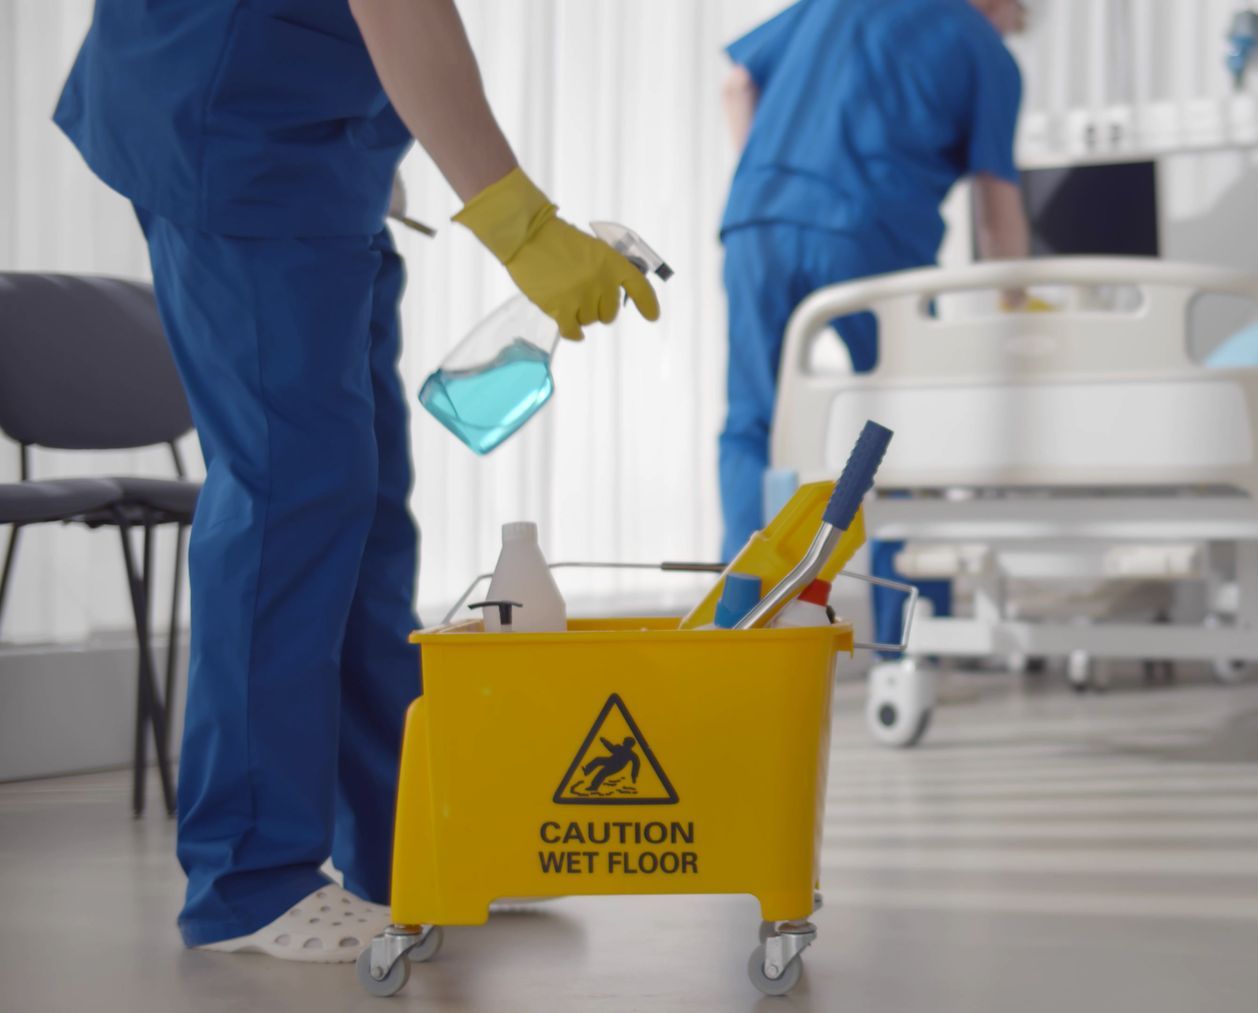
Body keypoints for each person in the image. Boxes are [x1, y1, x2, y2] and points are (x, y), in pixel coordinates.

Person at [55, 0, 658, 961]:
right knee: (290, 496)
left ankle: (406, 844)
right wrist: (521, 224)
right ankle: (249, 880)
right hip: (238, 129)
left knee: (363, 507)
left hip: (309, 145)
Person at [717, 0, 1036, 638]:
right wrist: (1019, 308)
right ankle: (908, 634)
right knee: (903, 429)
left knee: (754, 422)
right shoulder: (984, 51)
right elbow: (996, 212)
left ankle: (737, 622)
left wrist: (769, 177)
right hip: (871, 238)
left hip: (759, 222)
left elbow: (737, 82)